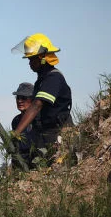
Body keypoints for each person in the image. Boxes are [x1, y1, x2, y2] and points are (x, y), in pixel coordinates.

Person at [11, 34, 73, 164]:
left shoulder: (53, 79)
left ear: (43, 58)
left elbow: (36, 105)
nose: (30, 63)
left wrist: (16, 133)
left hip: (59, 133)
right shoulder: (42, 80)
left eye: (32, 59)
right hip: (47, 134)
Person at [10, 82, 37, 170]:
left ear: (33, 100)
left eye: (24, 98)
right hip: (21, 166)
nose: (19, 101)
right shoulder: (16, 121)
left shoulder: (39, 119)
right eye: (18, 98)